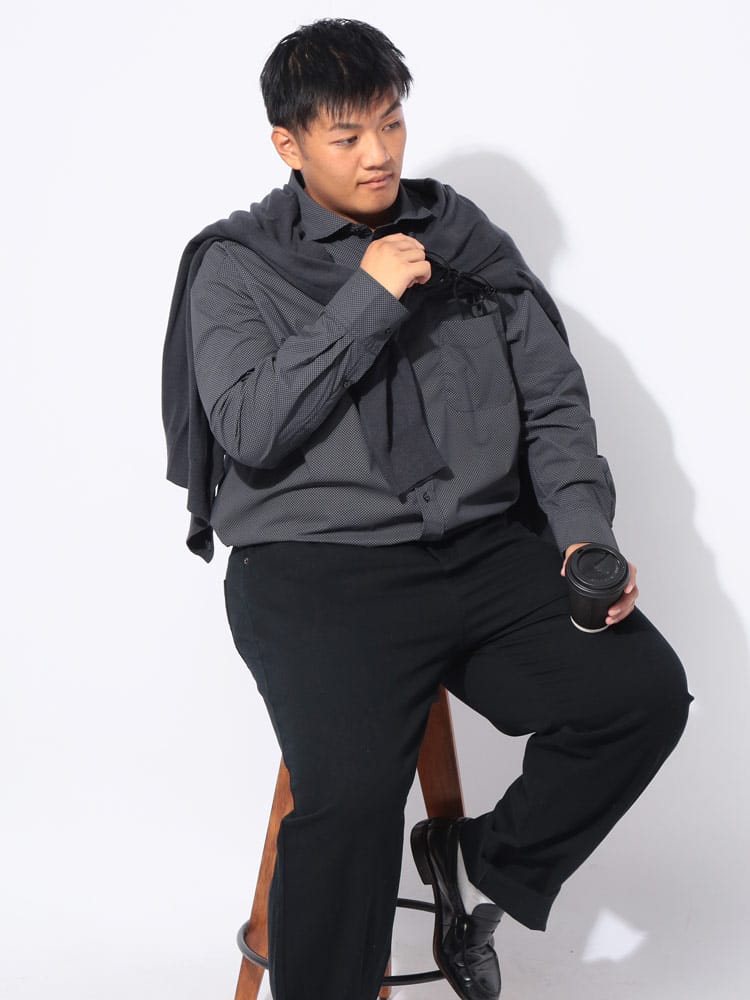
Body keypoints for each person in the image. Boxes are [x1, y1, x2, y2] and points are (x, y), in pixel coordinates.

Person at [161, 17, 692, 1000]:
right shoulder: (237, 265)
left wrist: (584, 531)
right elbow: (249, 429)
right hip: (317, 569)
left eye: (391, 124)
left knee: (642, 692)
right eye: (347, 135)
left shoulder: (461, 239)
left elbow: (553, 402)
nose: (379, 154)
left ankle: (477, 866)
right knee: (351, 802)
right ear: (288, 144)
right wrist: (365, 300)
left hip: (480, 550)